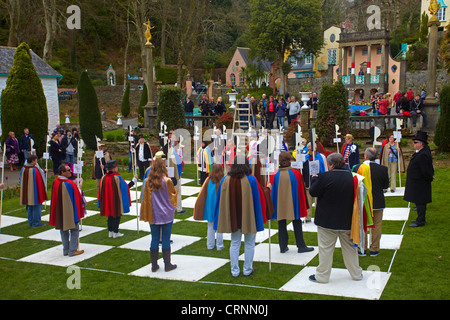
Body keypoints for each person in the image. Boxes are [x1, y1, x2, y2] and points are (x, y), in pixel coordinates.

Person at [308, 153, 363, 283]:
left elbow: (313, 192)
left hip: (327, 221)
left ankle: (322, 276)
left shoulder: (323, 177)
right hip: (347, 220)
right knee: (350, 249)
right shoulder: (353, 178)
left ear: (331, 165)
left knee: (325, 250)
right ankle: (356, 273)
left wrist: (314, 178)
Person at [214, 155, 267, 277]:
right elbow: (257, 200)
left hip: (233, 217)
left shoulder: (225, 180)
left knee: (235, 242)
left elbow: (220, 200)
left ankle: (235, 271)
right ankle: (247, 269)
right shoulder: (252, 180)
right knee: (249, 243)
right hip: (248, 216)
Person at [271, 152, 313, 253]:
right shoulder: (296, 174)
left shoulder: (276, 175)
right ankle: (301, 246)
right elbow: (301, 191)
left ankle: (283, 246)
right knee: (297, 221)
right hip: (294, 202)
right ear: (290, 160)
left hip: (281, 203)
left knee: (281, 222)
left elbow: (274, 192)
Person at [140, 158, 178, 272]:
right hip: (166, 214)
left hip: (154, 214)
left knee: (154, 238)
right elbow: (173, 196)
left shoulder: (148, 181)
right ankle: (167, 264)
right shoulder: (166, 181)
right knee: (166, 238)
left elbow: (145, 199)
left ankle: (154, 265)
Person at [352, 148, 389, 256]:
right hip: (377, 200)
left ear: (366, 157)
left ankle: (361, 248)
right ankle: (374, 248)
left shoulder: (358, 168)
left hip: (363, 201)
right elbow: (385, 185)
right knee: (377, 225)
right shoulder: (382, 169)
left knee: (362, 224)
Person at [50, 164, 85, 257]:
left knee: (63, 229)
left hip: (60, 210)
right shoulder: (68, 184)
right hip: (69, 211)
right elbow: (75, 198)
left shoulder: (56, 182)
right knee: (74, 229)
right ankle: (73, 250)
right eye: (68, 170)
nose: (70, 171)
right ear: (63, 172)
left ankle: (66, 249)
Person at [98, 160, 137, 238]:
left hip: (107, 200)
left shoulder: (104, 177)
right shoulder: (117, 177)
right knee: (116, 215)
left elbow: (100, 190)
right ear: (114, 168)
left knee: (110, 215)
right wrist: (134, 181)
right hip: (116, 200)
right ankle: (115, 232)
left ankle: (110, 231)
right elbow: (125, 187)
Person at [404, 131, 434, 227]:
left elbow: (425, 170)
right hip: (417, 181)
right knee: (418, 201)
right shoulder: (420, 152)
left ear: (421, 144)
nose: (413, 144)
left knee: (421, 202)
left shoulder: (423, 155)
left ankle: (420, 221)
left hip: (420, 182)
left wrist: (429, 177)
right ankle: (419, 219)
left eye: (415, 142)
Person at [193, 164, 225, 250]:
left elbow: (202, 193)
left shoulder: (208, 180)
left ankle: (210, 245)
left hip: (210, 207)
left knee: (210, 226)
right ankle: (219, 245)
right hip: (219, 206)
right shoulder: (223, 180)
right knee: (219, 227)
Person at [302, 142, 328, 223]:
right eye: (308, 149)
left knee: (318, 202)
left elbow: (324, 168)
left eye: (310, 149)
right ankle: (308, 217)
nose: (309, 151)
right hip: (307, 182)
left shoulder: (320, 157)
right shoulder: (306, 157)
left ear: (315, 149)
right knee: (308, 201)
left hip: (318, 182)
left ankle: (319, 217)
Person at [20, 154, 47, 227]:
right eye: (36, 160)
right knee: (36, 207)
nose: (36, 162)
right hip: (35, 191)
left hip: (26, 191)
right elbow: (39, 181)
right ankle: (36, 223)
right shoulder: (34, 170)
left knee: (29, 207)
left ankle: (31, 222)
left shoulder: (23, 169)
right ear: (33, 161)